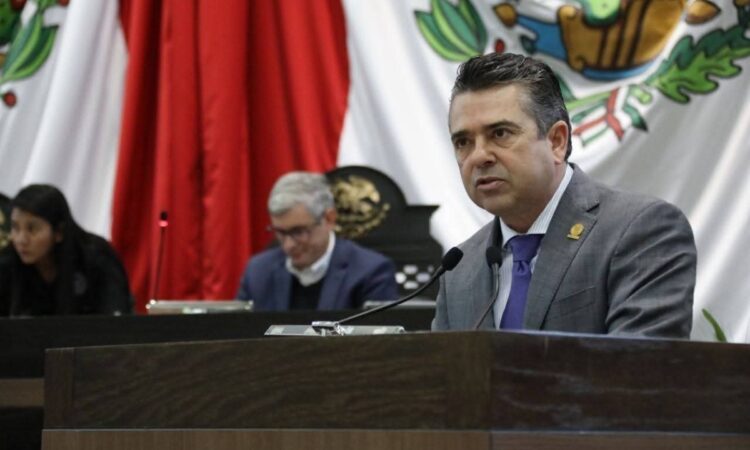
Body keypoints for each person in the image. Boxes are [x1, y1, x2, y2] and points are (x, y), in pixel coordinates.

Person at [433, 53, 696, 338]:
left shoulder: (641, 232)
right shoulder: (458, 271)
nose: (479, 156)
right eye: (463, 142)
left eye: (500, 133)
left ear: (557, 141)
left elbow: (638, 362)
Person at [236, 172, 399, 310]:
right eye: (280, 232)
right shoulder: (258, 272)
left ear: (329, 219)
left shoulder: (371, 272)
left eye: (298, 232)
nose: (288, 245)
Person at [0, 184, 132, 316]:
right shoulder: (7, 263)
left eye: (32, 229)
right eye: (15, 227)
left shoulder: (95, 257)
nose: (21, 239)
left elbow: (117, 318)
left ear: (59, 232)